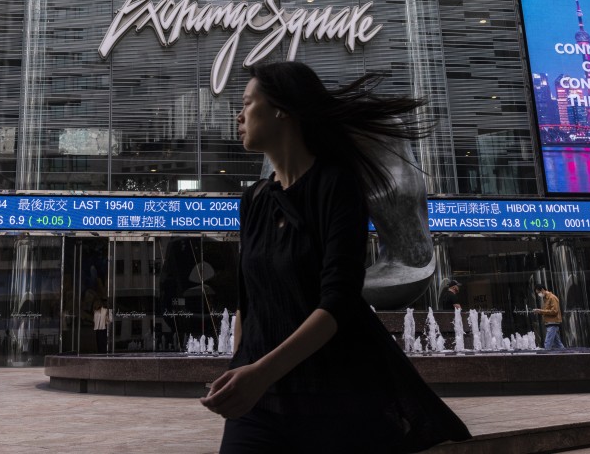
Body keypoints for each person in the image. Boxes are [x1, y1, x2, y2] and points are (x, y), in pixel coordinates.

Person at [201, 62, 470, 453]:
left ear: (281, 109)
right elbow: (249, 301)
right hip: (261, 402)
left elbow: (339, 302)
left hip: (331, 396)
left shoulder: (336, 186)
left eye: (246, 103)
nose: (238, 116)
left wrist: (260, 374)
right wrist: (239, 370)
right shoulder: (254, 199)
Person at [533, 284, 565, 350]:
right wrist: (540, 311)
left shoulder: (552, 298)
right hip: (549, 323)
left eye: (538, 292)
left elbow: (554, 311)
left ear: (542, 290)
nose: (539, 294)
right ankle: (567, 355)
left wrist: (540, 311)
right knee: (558, 344)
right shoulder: (545, 298)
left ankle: (546, 357)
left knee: (547, 343)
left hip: (553, 323)